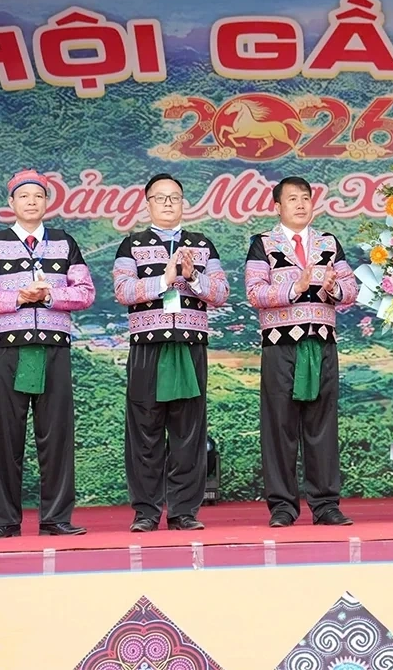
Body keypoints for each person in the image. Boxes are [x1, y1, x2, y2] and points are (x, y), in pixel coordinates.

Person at [0, 170, 96, 538]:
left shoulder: (65, 243)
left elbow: (86, 292)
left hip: (54, 347)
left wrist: (50, 295)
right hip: (7, 350)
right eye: (24, 196)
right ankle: (4, 521)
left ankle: (56, 517)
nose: (31, 201)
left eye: (38, 196)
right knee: (4, 436)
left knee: (56, 435)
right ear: (11, 203)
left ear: (46, 202)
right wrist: (19, 297)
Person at [112, 174, 229, 532]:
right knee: (144, 431)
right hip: (148, 346)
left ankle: (183, 511)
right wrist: (164, 281)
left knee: (188, 433)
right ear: (147, 204)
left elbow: (221, 292)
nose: (167, 203)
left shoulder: (202, 244)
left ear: (183, 203)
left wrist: (192, 277)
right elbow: (122, 290)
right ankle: (146, 512)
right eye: (160, 198)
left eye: (174, 197)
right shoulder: (131, 245)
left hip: (190, 345)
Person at [245, 176, 358, 528]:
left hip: (321, 342)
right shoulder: (263, 244)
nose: (300, 204)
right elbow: (254, 292)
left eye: (305, 198)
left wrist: (334, 288)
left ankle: (326, 505)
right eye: (292, 199)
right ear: (277, 206)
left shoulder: (328, 242)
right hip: (280, 345)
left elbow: (351, 288)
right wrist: (295, 287)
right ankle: (282, 506)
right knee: (279, 426)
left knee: (322, 425)